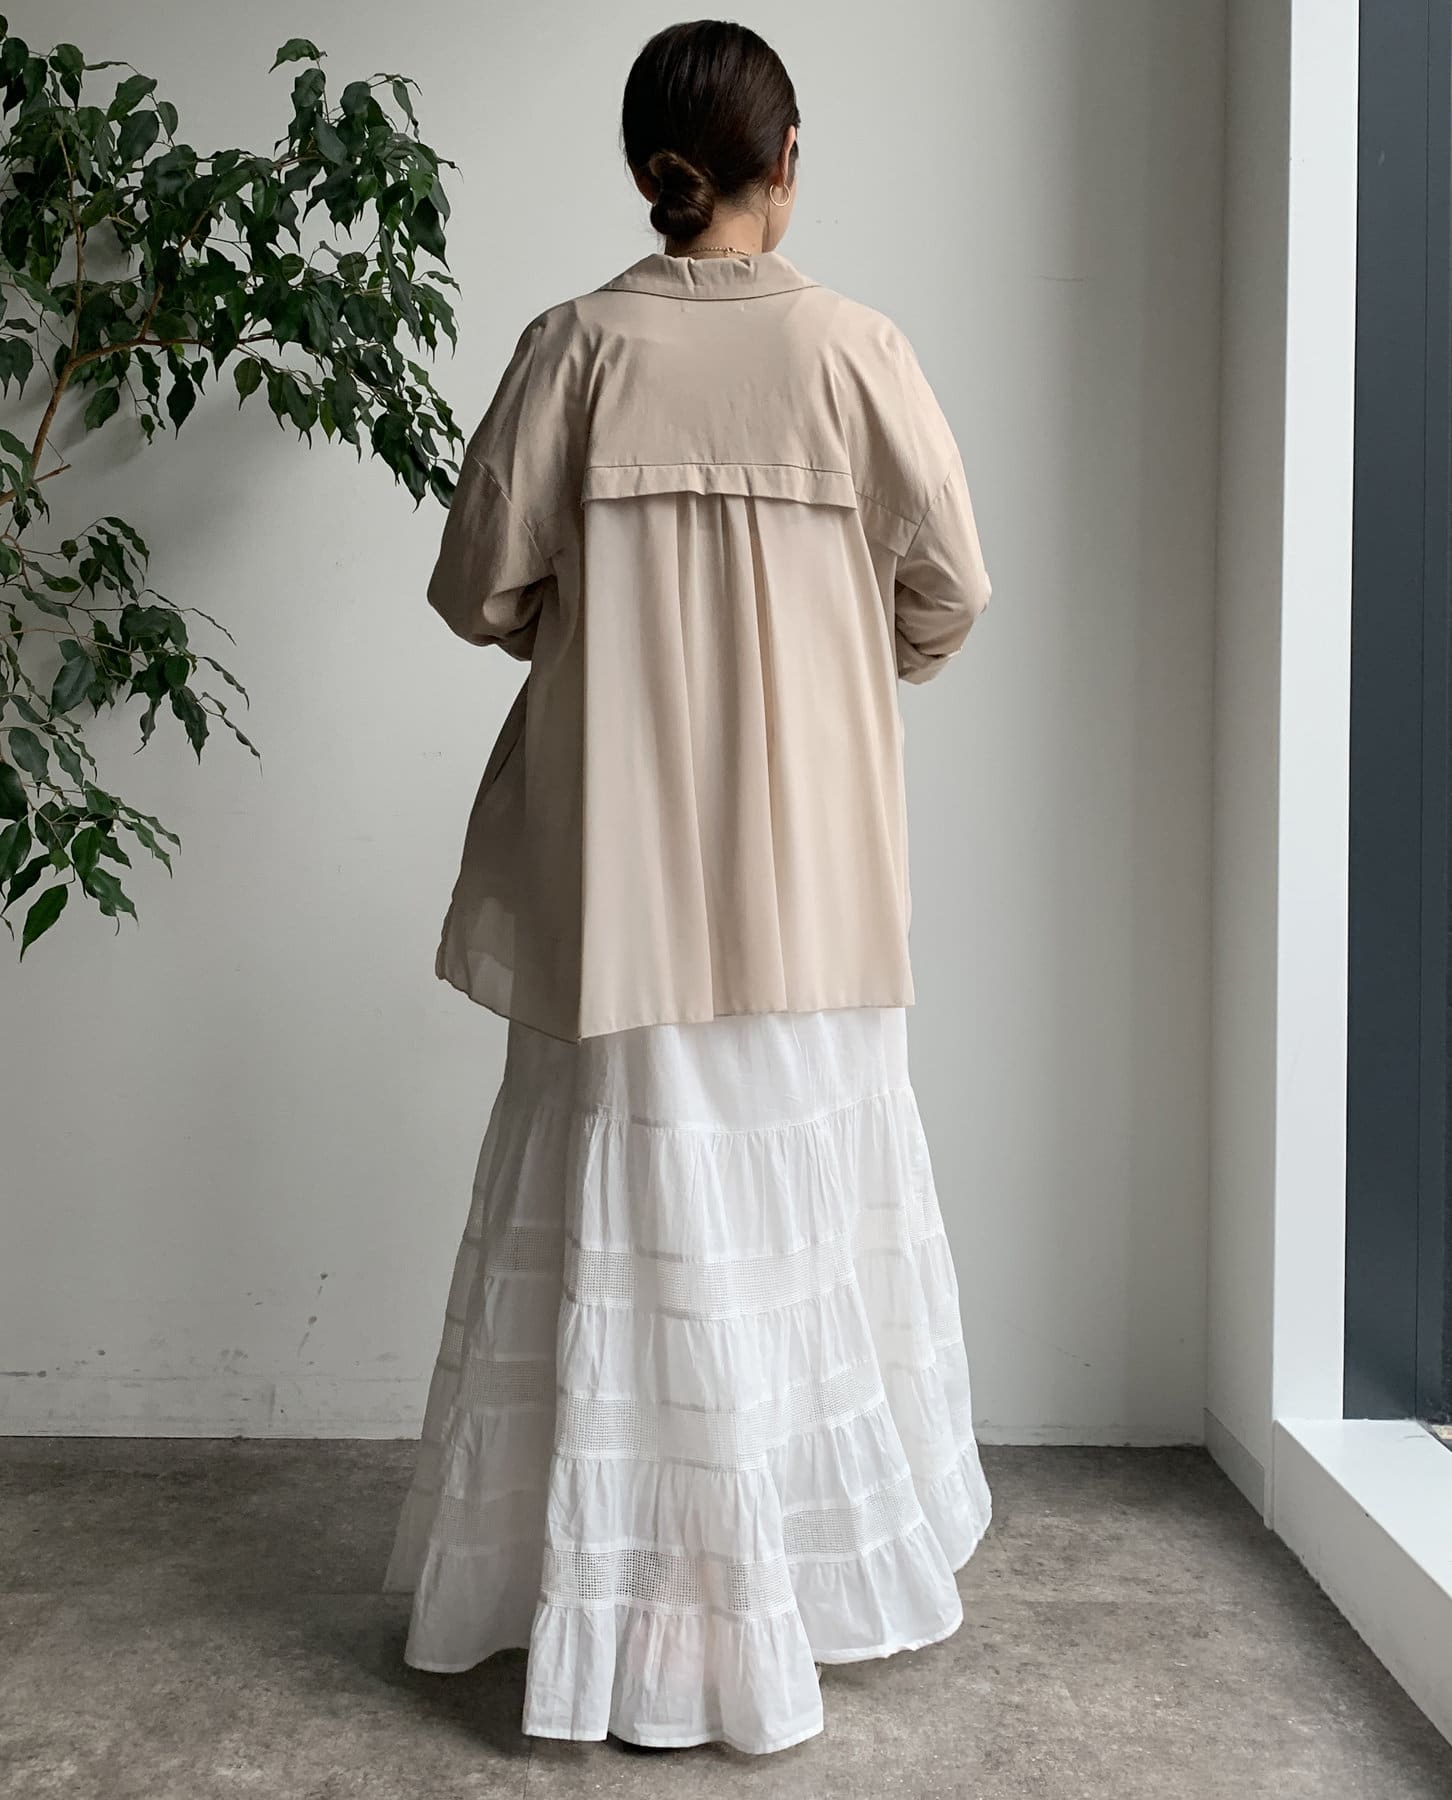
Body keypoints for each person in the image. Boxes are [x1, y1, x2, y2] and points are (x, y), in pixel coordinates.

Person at [385, 17, 994, 1757]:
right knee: (799, 1234)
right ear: (784, 162)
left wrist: (597, 631)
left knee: (629, 1229)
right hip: (819, 895)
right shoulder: (858, 351)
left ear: (648, 169)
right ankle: (791, 1589)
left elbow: (473, 588)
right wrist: (838, 657)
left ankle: (617, 1619)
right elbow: (952, 590)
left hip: (621, 889)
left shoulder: (573, 350)